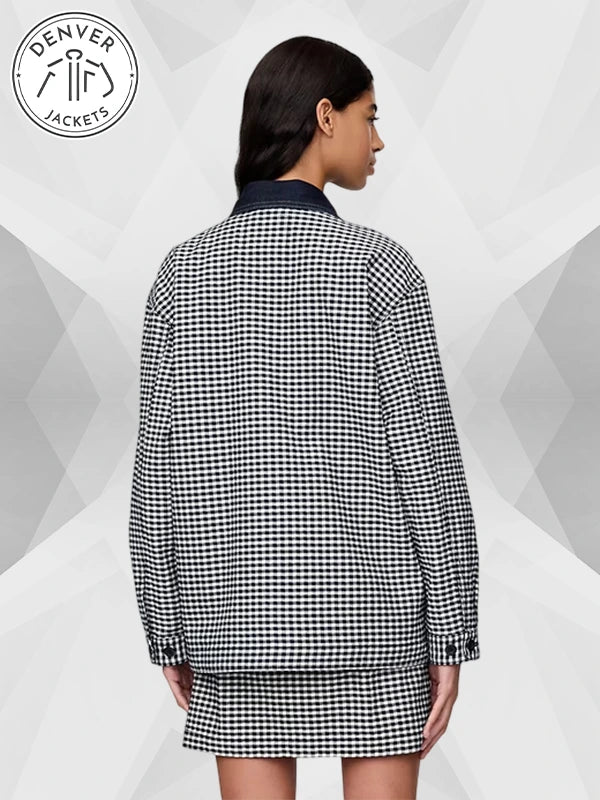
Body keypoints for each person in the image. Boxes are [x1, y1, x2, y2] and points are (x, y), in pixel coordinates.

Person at [128, 35, 480, 800]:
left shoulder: (182, 273)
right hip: (375, 629)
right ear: (326, 116)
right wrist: (452, 632)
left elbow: (157, 474)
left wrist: (167, 627)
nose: (378, 140)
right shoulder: (378, 265)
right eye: (369, 116)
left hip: (233, 628)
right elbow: (427, 465)